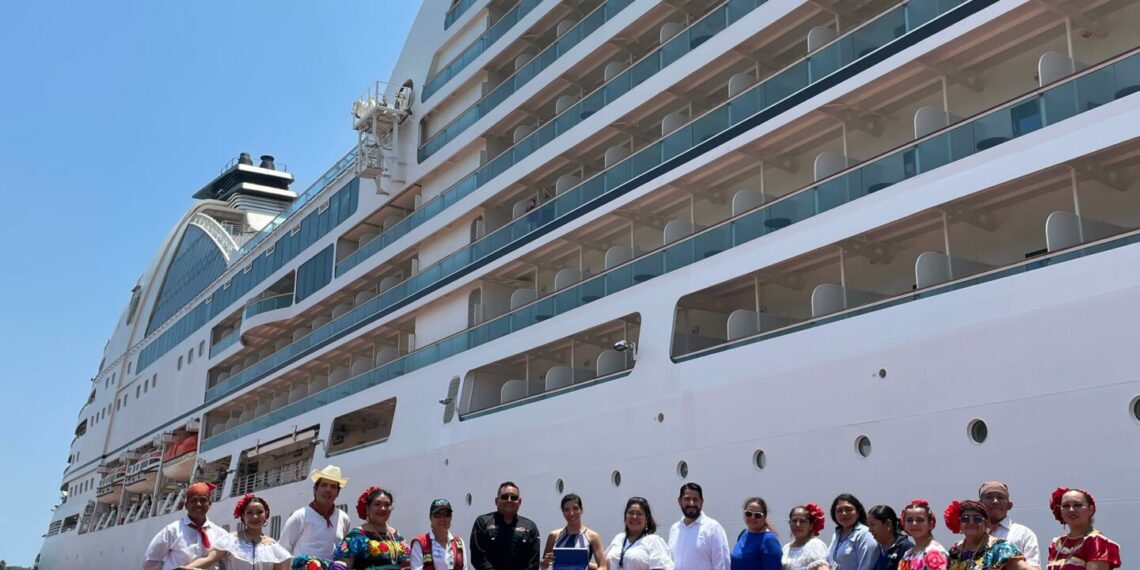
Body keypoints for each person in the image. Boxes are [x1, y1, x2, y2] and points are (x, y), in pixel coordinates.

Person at [180, 494, 292, 569]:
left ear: (266, 514)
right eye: (249, 513)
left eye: (259, 512)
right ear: (242, 516)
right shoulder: (230, 540)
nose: (255, 516)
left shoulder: (274, 547)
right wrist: (185, 569)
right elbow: (208, 559)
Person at [143, 482, 229, 570]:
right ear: (186, 505)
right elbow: (150, 561)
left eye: (203, 500)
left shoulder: (220, 534)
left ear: (209, 504)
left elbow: (226, 564)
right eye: (194, 500)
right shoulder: (172, 531)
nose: (198, 504)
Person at [281, 466, 353, 570]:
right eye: (324, 485)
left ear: (338, 492)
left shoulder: (344, 518)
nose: (328, 490)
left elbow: (345, 551)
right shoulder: (300, 516)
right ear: (315, 489)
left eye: (333, 486)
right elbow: (282, 551)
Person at [333, 487, 410, 569]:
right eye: (377, 504)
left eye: (387, 505)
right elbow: (344, 564)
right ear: (367, 508)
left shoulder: (396, 535)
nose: (383, 508)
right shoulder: (355, 537)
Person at [470, 482, 541, 570]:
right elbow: (478, 557)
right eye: (504, 497)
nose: (509, 500)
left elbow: (533, 562)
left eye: (514, 497)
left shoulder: (530, 527)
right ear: (496, 501)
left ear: (519, 502)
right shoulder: (482, 522)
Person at [1045, 487, 1121, 570]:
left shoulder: (1097, 542)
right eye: (1066, 506)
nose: (1071, 510)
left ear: (1090, 510)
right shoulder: (1057, 544)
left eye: (1077, 505)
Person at [944, 500, 1027, 570]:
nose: (971, 522)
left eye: (977, 519)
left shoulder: (1001, 548)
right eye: (965, 519)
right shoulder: (955, 550)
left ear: (986, 523)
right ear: (959, 524)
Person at [976, 482, 1040, 570]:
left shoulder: (1024, 534)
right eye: (989, 497)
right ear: (979, 504)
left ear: (1009, 505)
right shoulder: (973, 535)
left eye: (1000, 497)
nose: (995, 501)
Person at [667, 483, 729, 570]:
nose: (691, 503)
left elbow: (722, 565)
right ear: (679, 501)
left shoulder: (713, 528)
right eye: (687, 499)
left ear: (702, 502)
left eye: (695, 499)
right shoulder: (674, 529)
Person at [541, 494, 607, 570]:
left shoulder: (593, 536)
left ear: (581, 510)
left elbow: (603, 566)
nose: (571, 513)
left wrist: (582, 565)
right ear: (563, 512)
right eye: (567, 510)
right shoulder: (554, 536)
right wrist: (545, 562)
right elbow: (543, 566)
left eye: (575, 508)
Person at [604, 497, 673, 570]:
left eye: (639, 513)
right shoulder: (619, 538)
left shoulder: (653, 541)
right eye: (631, 513)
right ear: (625, 516)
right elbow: (603, 564)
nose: (634, 517)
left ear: (647, 519)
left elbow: (663, 567)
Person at [827, 494, 878, 570]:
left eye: (849, 509)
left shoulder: (865, 534)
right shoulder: (836, 535)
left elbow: (866, 567)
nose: (844, 513)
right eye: (839, 511)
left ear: (858, 512)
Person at [730, 497, 781, 570]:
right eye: (748, 513)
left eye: (757, 515)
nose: (752, 517)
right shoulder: (743, 534)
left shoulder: (769, 540)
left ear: (765, 516)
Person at [896, 499, 947, 570]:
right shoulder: (908, 554)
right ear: (904, 524)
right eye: (909, 520)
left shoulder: (935, 552)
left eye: (920, 520)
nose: (914, 523)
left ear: (930, 524)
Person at [781, 504, 829, 570]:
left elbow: (823, 567)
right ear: (789, 523)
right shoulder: (786, 548)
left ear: (811, 526)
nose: (797, 525)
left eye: (802, 521)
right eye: (794, 521)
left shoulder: (815, 545)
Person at [867, 506, 911, 570]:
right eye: (869, 525)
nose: (870, 530)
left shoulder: (905, 549)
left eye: (872, 525)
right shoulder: (877, 549)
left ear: (888, 524)